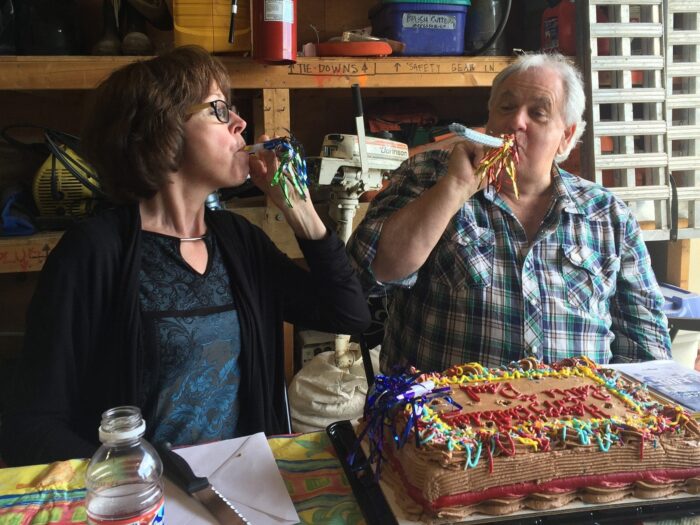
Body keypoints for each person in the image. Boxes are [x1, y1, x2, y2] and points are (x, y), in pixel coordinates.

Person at [1, 45, 371, 466]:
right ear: (159, 130)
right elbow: (32, 426)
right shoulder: (93, 254)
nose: (241, 123)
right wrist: (134, 483)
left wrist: (299, 207)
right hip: (144, 502)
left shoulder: (239, 241)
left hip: (246, 486)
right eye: (218, 110)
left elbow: (350, 314)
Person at [347, 52, 671, 373]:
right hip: (443, 418)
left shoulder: (608, 215)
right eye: (507, 107)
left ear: (566, 136)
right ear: (489, 118)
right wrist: (456, 188)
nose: (517, 122)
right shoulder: (428, 176)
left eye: (538, 113)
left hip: (572, 420)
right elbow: (367, 274)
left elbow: (648, 347)